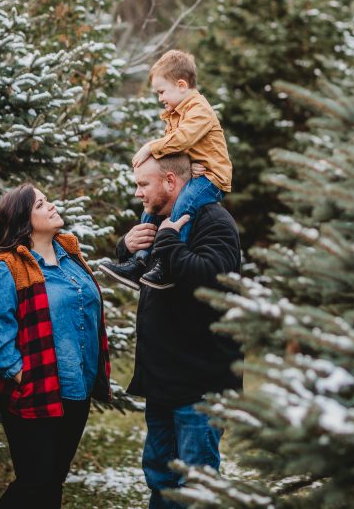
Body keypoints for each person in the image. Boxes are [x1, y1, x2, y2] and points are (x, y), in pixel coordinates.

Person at [114, 153, 243, 509]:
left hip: (199, 385)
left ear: (170, 181)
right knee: (160, 477)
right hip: (162, 382)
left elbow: (210, 279)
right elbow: (149, 277)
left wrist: (170, 243)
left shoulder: (213, 221)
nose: (138, 193)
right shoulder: (159, 219)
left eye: (144, 184)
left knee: (194, 486)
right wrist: (127, 247)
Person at [0, 184, 112, 508]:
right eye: (41, 204)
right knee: (34, 481)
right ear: (24, 219)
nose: (52, 206)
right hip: (35, 391)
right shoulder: (5, 268)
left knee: (54, 479)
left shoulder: (71, 257)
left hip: (76, 388)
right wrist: (22, 375)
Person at [99, 49, 232, 289]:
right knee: (151, 210)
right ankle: (139, 261)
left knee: (183, 207)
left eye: (162, 91)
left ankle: (166, 265)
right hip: (196, 172)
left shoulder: (199, 110)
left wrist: (151, 146)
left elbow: (182, 140)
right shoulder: (176, 113)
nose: (160, 98)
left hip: (212, 178)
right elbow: (179, 151)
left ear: (181, 85)